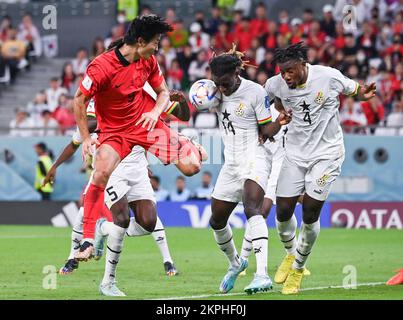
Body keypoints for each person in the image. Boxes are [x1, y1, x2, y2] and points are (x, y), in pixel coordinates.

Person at [73, 15, 207, 264]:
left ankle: (192, 147)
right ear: (140, 40)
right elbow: (79, 99)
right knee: (100, 172)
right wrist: (84, 138)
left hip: (145, 125)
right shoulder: (101, 67)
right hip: (114, 132)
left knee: (192, 167)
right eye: (155, 42)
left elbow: (163, 92)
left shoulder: (148, 61)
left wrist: (155, 112)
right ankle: (89, 239)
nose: (157, 47)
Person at [265, 42, 376, 295]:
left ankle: (298, 270)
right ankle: (290, 254)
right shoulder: (275, 84)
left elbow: (354, 89)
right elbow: (267, 99)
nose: (286, 76)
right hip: (294, 153)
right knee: (282, 211)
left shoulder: (328, 76)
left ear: (304, 65)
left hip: (327, 154)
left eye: (290, 70)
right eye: (282, 72)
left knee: (311, 211)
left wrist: (364, 94)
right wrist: (280, 109)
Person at [208, 45, 290, 295]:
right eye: (217, 83)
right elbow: (187, 111)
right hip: (231, 161)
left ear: (236, 72)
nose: (221, 88)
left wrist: (278, 122)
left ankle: (261, 274)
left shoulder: (254, 92)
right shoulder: (212, 92)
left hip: (255, 155)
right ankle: (236, 263)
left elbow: (266, 132)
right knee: (217, 220)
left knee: (252, 208)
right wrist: (180, 102)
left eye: (224, 83)